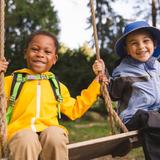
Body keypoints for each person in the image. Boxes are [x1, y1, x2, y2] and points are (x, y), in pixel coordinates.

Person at [0, 30, 107, 160]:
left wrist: (96, 84)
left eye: (47, 52)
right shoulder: (10, 82)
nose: (40, 54)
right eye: (35, 49)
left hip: (49, 131)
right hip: (19, 133)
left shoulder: (57, 87)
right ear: (25, 53)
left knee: (55, 134)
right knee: (26, 139)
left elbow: (74, 110)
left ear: (54, 59)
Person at [93, 21, 160, 160]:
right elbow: (112, 93)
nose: (141, 46)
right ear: (127, 50)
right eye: (134, 43)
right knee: (149, 118)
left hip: (157, 114)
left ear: (154, 44)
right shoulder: (124, 71)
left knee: (155, 118)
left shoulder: (157, 66)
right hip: (134, 118)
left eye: (145, 41)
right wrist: (103, 74)